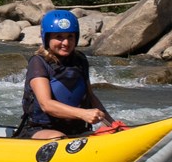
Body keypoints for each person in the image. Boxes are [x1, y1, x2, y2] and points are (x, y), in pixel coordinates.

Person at [19, 9, 114, 139]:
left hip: (77, 129)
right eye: (59, 37)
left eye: (70, 36)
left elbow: (91, 97)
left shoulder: (80, 60)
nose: (66, 43)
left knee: (109, 133)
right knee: (59, 138)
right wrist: (83, 114)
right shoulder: (38, 62)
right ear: (47, 38)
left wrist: (111, 123)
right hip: (41, 129)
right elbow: (46, 105)